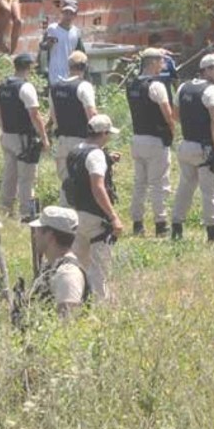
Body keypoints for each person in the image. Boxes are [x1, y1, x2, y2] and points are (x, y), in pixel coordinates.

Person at [62, 114, 123, 300]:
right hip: (95, 216)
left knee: (78, 263)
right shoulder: (96, 156)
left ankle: (76, 298)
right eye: (108, 134)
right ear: (103, 133)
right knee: (100, 267)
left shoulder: (75, 151)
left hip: (74, 213)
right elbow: (98, 187)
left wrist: (107, 158)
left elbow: (80, 173)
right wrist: (113, 217)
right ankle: (100, 306)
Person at [171, 53, 214, 242]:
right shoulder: (212, 90)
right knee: (210, 192)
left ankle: (176, 226)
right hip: (204, 148)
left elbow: (176, 115)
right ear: (207, 70)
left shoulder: (183, 87)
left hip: (186, 144)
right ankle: (213, 232)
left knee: (185, 188)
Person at [127, 48, 175, 237]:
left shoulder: (131, 85)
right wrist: (173, 132)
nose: (163, 65)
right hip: (156, 139)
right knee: (159, 183)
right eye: (161, 61)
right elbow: (167, 114)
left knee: (140, 183)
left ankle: (137, 223)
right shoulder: (156, 86)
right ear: (153, 62)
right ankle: (161, 223)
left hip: (137, 137)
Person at [0, 53, 48, 221]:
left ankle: (6, 210)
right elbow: (35, 115)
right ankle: (28, 215)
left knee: (9, 174)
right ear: (29, 68)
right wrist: (44, 138)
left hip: (7, 135)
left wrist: (4, 131)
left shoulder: (1, 86)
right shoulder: (26, 87)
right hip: (24, 139)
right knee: (27, 178)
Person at [25, 206, 90, 320]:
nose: (35, 236)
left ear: (50, 236)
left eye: (39, 231)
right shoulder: (51, 267)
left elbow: (67, 321)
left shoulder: (68, 273)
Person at [50, 50, 98, 194]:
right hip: (81, 141)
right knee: (82, 181)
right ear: (85, 67)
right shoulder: (84, 86)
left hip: (63, 140)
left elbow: (53, 115)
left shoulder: (55, 87)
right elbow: (92, 115)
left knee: (66, 181)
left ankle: (65, 211)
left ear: (69, 66)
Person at [40, 1, 82, 85]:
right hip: (55, 74)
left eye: (71, 13)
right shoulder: (52, 29)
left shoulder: (76, 32)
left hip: (70, 74)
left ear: (75, 15)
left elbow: (80, 53)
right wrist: (48, 44)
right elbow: (42, 47)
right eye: (66, 13)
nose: (68, 16)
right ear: (62, 13)